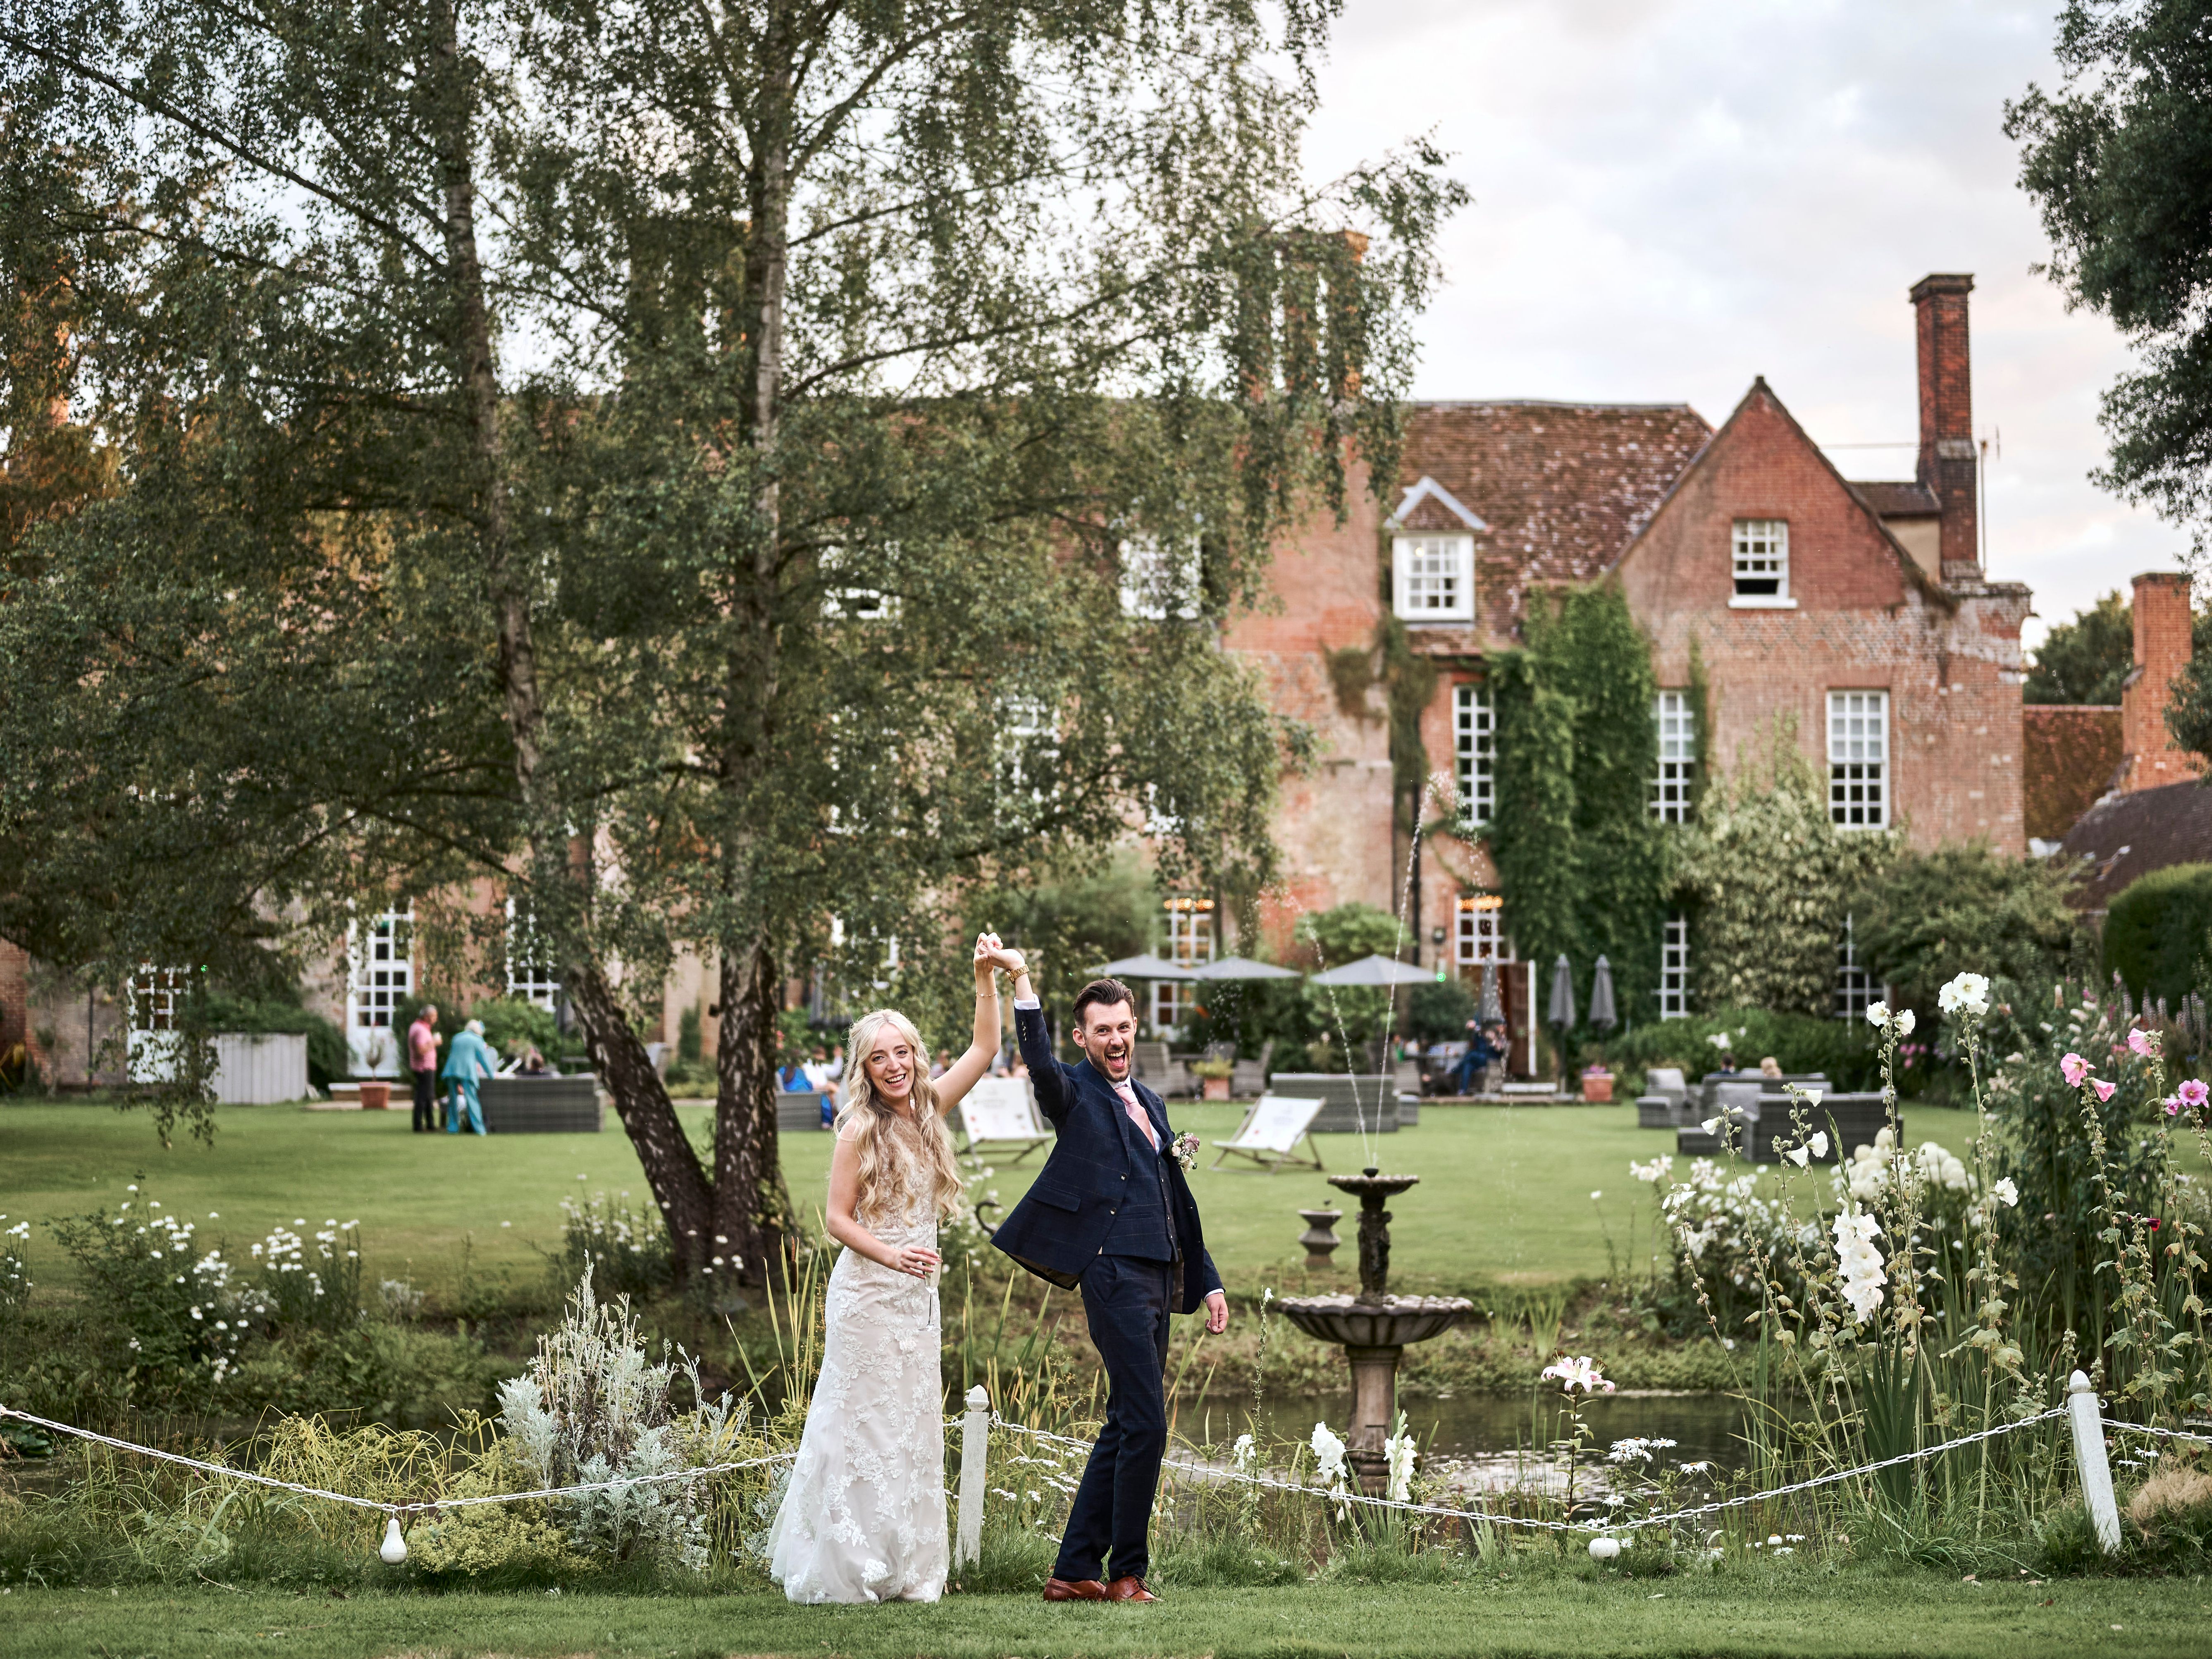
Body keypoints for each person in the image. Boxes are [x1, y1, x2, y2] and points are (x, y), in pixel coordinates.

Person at [766, 934, 1007, 1604]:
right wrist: (892, 1253)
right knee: (861, 1426)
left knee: (911, 1427)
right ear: (865, 1069)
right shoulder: (857, 1131)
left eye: (902, 1051)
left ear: (914, 1056)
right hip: (867, 1297)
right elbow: (836, 1220)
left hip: (915, 1305)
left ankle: (908, 1568)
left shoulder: (930, 1110)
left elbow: (986, 1049)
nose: (895, 1065)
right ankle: (851, 1566)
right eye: (881, 1057)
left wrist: (984, 975)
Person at [987, 950, 1228, 1604]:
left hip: (1159, 1273)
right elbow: (1036, 1064)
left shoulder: (1149, 1100)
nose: (1115, 1039)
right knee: (1146, 1422)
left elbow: (1176, 1191)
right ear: (1082, 1038)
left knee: (1125, 1421)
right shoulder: (1071, 1093)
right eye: (1102, 1030)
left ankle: (1072, 1571)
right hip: (1111, 1271)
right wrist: (1021, 980)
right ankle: (1127, 1574)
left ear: (1133, 1027)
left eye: (1123, 1027)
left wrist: (1206, 1279)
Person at [441, 1018, 497, 1136]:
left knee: (453, 1100)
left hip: (451, 1070)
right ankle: (479, 1129)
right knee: (472, 1100)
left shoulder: (457, 1037)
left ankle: (453, 1128)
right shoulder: (478, 1040)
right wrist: (491, 1074)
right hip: (467, 1072)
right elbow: (483, 1059)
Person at [406, 1005, 442, 1132]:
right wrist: (435, 1042)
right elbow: (420, 1050)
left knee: (428, 1096)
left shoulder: (418, 1027)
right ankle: (418, 1125)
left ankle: (430, 1124)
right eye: (434, 1016)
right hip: (424, 1068)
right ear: (426, 1017)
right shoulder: (420, 1030)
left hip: (425, 1067)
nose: (436, 1019)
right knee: (423, 1096)